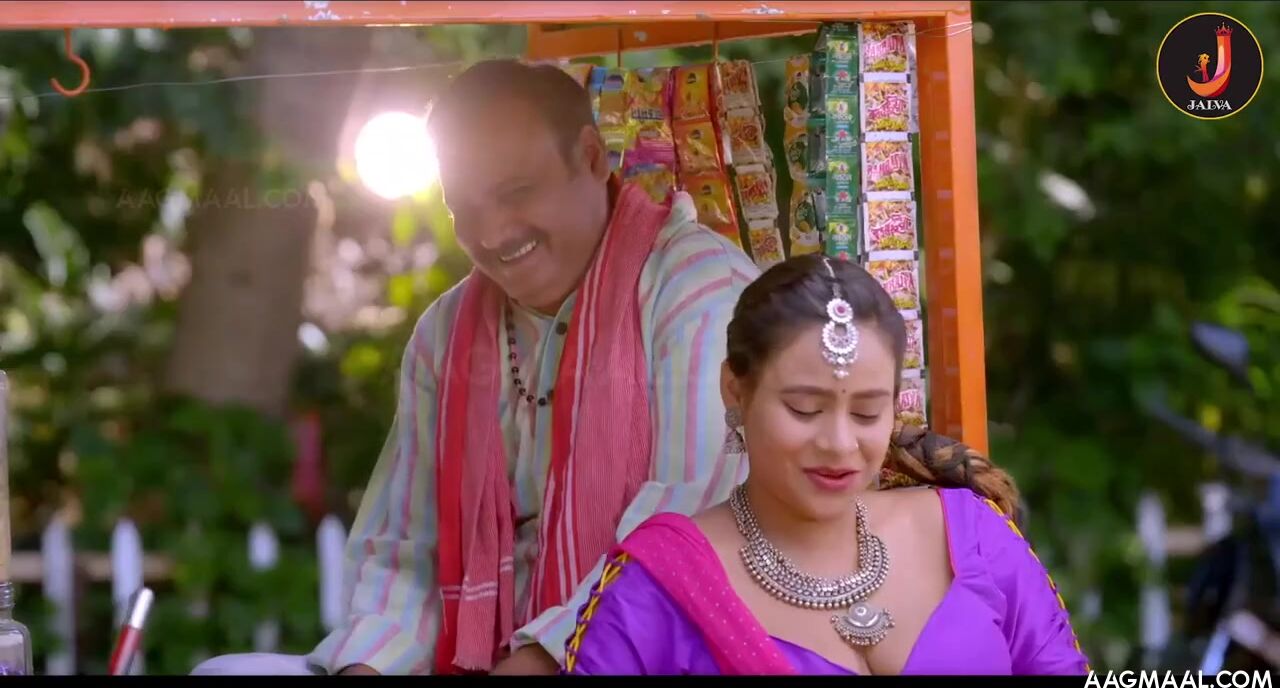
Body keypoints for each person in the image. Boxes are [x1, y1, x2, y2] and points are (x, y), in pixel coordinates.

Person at [191, 60, 759, 675]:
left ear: (593, 158)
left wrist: (539, 661)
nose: (490, 233)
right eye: (463, 206)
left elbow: (681, 537)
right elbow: (406, 551)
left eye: (515, 193)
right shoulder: (445, 333)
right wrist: (367, 668)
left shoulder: (698, 291)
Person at [562, 255, 1091, 676]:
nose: (839, 444)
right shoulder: (657, 588)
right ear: (735, 391)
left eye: (866, 412)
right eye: (804, 409)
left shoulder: (971, 535)